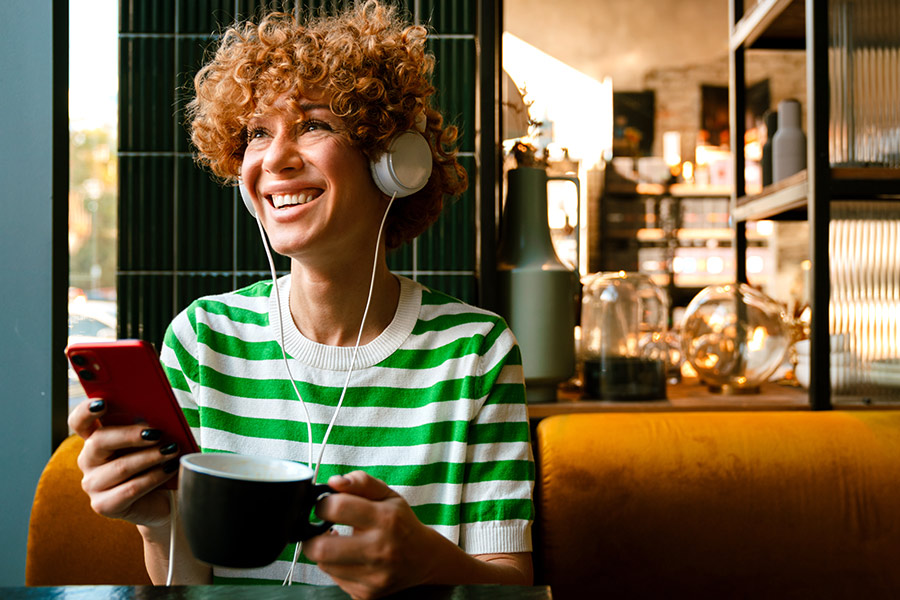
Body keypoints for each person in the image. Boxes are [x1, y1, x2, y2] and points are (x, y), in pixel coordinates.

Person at [67, 2, 534, 598]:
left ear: (394, 163)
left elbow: (512, 589)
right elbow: (185, 581)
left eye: (314, 125)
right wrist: (158, 519)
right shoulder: (203, 340)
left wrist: (427, 563)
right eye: (258, 133)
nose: (275, 160)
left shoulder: (475, 352)